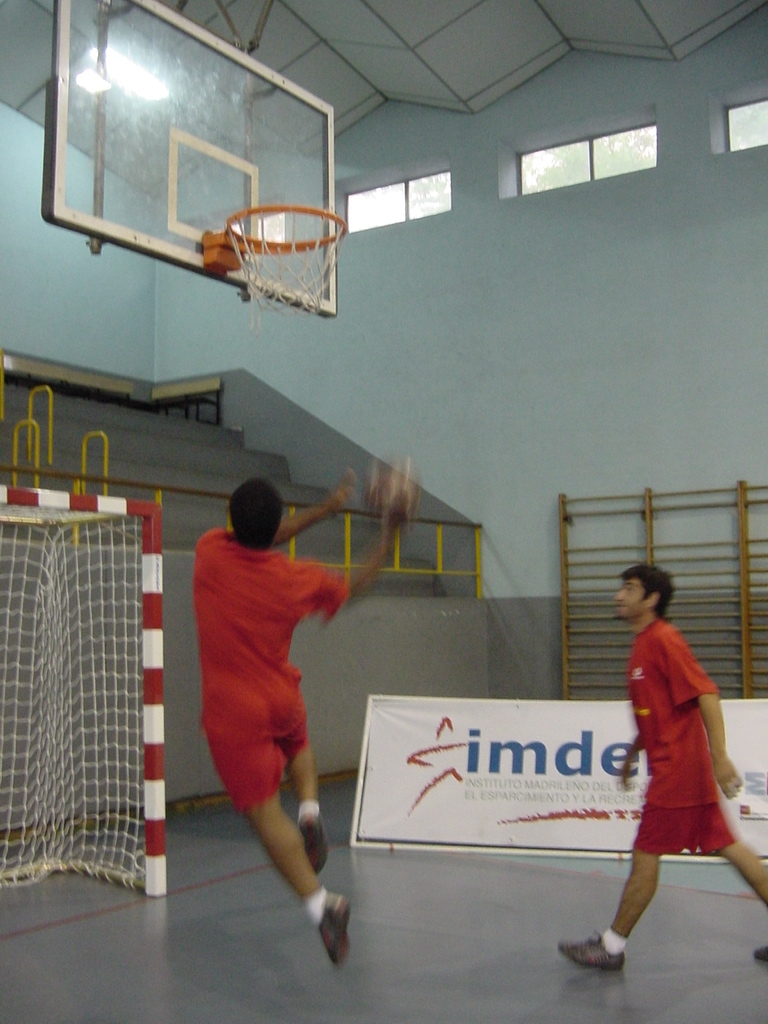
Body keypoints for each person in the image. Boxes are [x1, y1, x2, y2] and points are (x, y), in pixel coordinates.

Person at [193, 469, 403, 966]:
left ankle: (321, 904)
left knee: (265, 815)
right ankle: (311, 810)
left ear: (229, 520)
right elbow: (356, 581)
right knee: (296, 738)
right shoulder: (293, 578)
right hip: (281, 694)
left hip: (233, 712)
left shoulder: (208, 551)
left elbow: (261, 535)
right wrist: (387, 533)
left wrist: (322, 511)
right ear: (277, 524)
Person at [559, 563, 768, 970]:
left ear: (651, 599)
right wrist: (634, 751)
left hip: (678, 774)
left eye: (630, 588)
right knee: (735, 850)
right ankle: (612, 944)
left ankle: (611, 946)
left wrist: (720, 756)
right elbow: (655, 710)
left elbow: (707, 694)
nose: (620, 595)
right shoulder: (642, 645)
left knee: (645, 855)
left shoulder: (664, 640)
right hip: (677, 769)